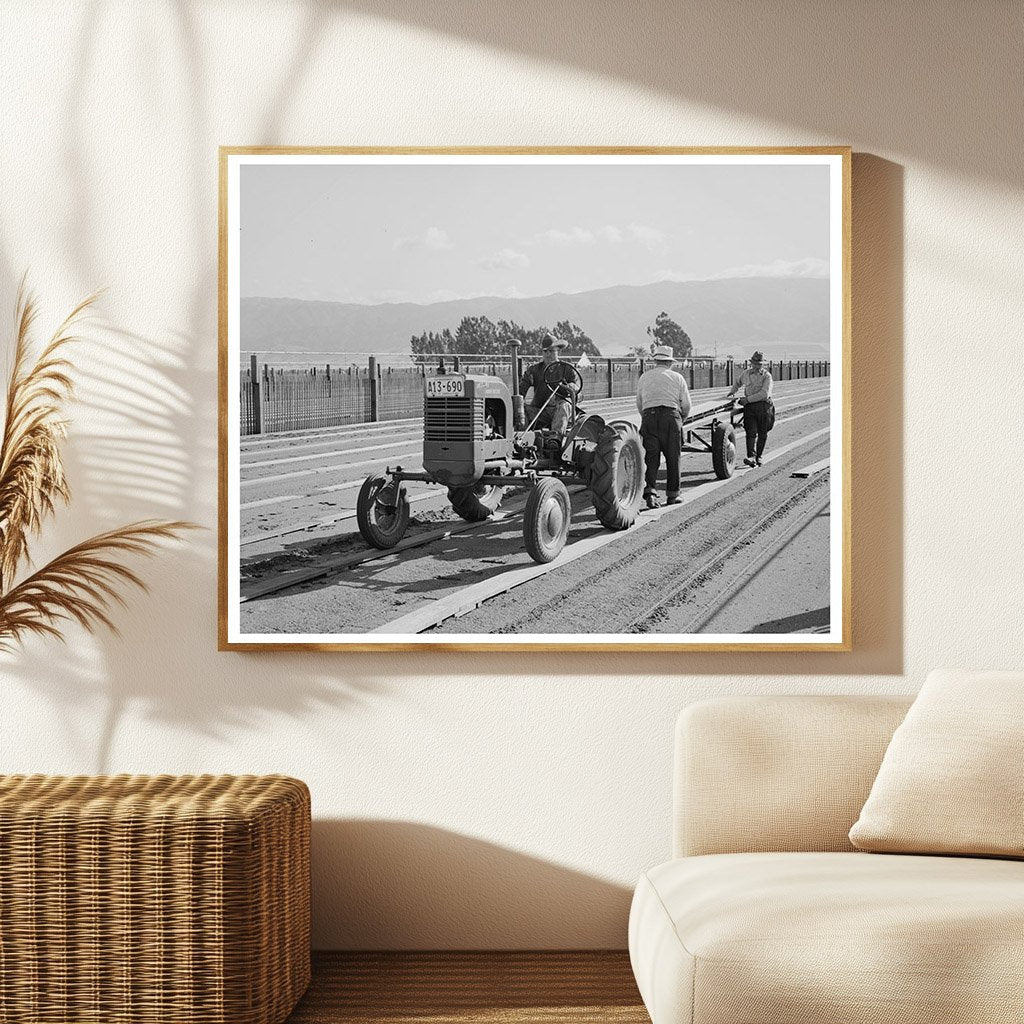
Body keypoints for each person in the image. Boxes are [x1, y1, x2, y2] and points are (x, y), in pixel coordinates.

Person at [635, 345, 692, 508]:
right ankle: (673, 495)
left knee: (651, 458)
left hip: (649, 417)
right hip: (671, 417)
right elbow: (686, 405)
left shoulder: (644, 377)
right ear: (670, 362)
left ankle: (650, 493)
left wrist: (647, 418)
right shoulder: (677, 378)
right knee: (673, 457)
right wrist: (681, 420)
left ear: (656, 361)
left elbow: (639, 402)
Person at [520, 332, 580, 434]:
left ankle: (555, 439)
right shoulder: (534, 370)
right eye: (545, 351)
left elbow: (579, 393)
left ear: (558, 352)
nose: (548, 354)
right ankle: (522, 437)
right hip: (540, 412)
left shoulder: (568, 369)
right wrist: (518, 403)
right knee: (520, 409)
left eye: (551, 351)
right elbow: (521, 390)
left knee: (564, 405)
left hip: (561, 411)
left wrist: (573, 388)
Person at [727, 350, 774, 467]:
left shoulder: (767, 376)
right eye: (755, 363)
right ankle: (751, 457)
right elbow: (738, 383)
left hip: (763, 407)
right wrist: (732, 392)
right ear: (751, 363)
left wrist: (747, 400)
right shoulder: (746, 374)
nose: (757, 365)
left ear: (762, 364)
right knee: (751, 432)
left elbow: (764, 394)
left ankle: (759, 456)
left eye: (759, 364)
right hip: (750, 408)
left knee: (763, 433)